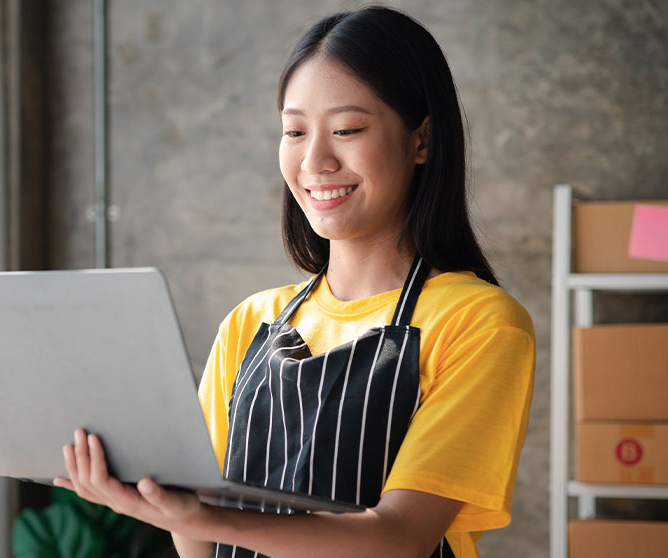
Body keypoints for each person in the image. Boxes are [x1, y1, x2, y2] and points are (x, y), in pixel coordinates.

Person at [54, 6, 535, 558]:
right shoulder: (249, 321)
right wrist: (172, 507)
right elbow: (194, 534)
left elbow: (400, 538)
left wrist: (205, 516)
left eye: (348, 129)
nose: (315, 160)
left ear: (421, 140)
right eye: (294, 131)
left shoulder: (479, 323)